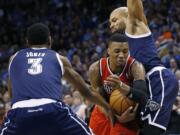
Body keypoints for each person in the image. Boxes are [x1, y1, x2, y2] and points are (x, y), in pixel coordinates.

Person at [0, 23, 115, 135]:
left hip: (19, 113)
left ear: (27, 42)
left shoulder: (13, 59)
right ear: (50, 40)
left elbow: (12, 95)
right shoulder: (58, 58)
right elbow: (85, 90)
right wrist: (106, 106)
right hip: (52, 110)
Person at [109, 0, 178, 135]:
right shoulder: (125, 47)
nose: (111, 25)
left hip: (158, 79)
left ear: (127, 16)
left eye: (114, 20)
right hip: (150, 88)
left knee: (152, 130)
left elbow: (134, 4)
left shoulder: (134, 27)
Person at [89, 33, 148, 135]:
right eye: (117, 51)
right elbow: (98, 100)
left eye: (125, 51)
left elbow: (142, 97)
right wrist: (116, 117)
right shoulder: (96, 69)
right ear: (108, 51)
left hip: (128, 114)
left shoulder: (136, 67)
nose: (121, 55)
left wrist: (121, 86)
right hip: (104, 110)